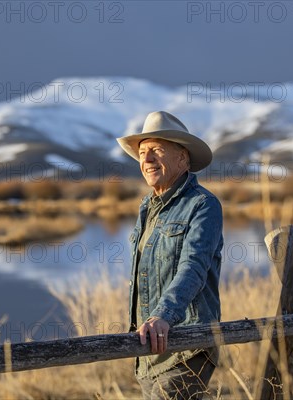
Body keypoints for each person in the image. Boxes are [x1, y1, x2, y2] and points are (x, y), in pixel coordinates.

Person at [116, 111, 223, 399]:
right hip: (149, 348)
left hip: (186, 344)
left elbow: (194, 266)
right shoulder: (147, 206)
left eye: (157, 151)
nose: (147, 160)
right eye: (142, 152)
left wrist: (164, 315)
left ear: (183, 159)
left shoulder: (204, 205)